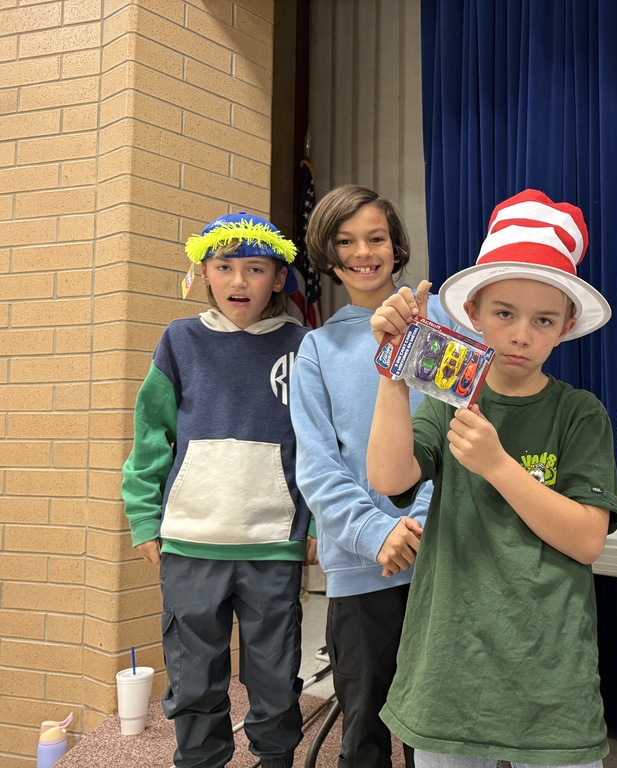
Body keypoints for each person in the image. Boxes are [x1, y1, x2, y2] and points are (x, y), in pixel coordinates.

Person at [366, 189, 617, 768]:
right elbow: (388, 476)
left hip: (550, 674)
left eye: (542, 320)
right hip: (450, 668)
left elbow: (587, 539)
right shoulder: (449, 400)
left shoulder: (579, 413)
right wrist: (394, 371)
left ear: (564, 329)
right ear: (475, 314)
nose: (520, 335)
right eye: (504, 314)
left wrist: (498, 466)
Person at [121, 213, 315, 768]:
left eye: (255, 269)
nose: (238, 281)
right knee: (194, 680)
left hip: (274, 544)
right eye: (224, 267)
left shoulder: (304, 346)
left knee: (276, 680)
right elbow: (150, 437)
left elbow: (321, 447)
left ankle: (275, 758)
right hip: (190, 543)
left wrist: (318, 525)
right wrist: (145, 519)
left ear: (278, 278)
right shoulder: (179, 341)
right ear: (203, 273)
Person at [290, 184, 454, 768]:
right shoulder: (316, 347)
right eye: (347, 241)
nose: (364, 252)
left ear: (396, 244)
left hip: (444, 554)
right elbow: (316, 464)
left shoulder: (439, 325)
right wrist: (375, 534)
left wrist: (418, 520)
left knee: (439, 723)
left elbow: (460, 434)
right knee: (364, 723)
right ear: (329, 257)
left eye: (376, 237)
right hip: (362, 568)